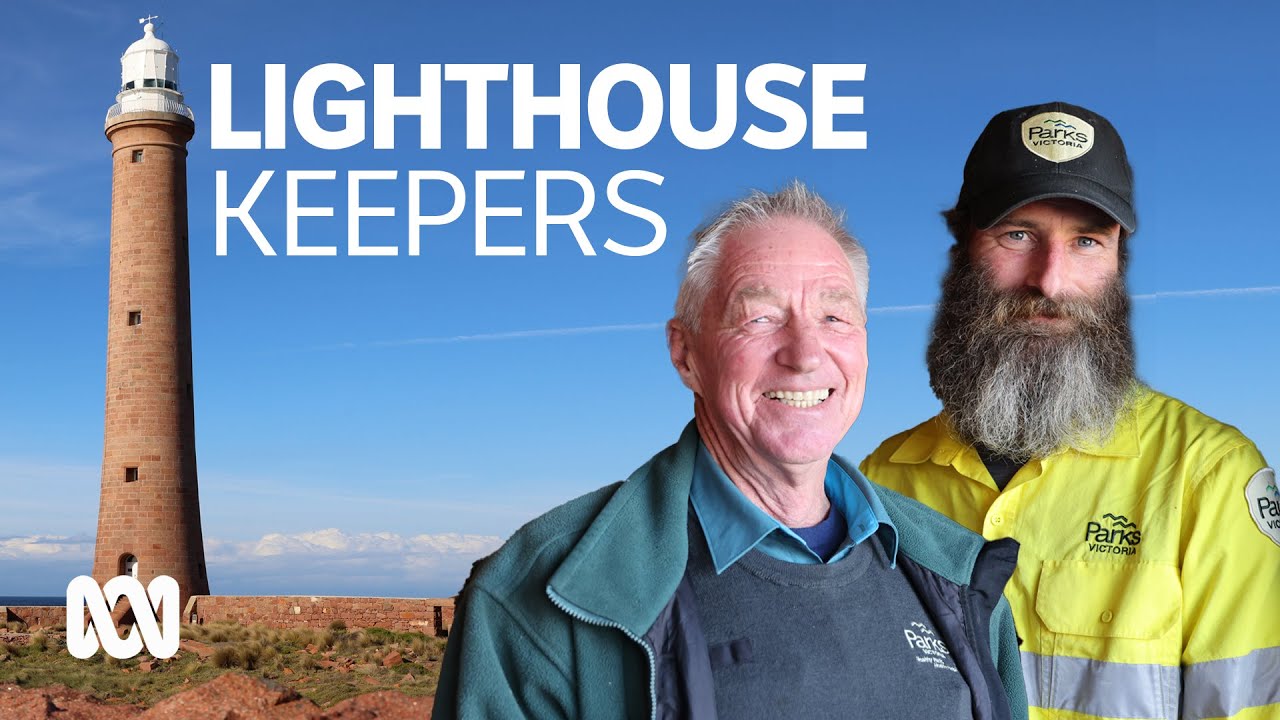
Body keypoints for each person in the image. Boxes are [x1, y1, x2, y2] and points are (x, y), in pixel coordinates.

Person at [433, 183, 1027, 720]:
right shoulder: (537, 596)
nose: (804, 354)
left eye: (834, 316)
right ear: (686, 353)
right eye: (760, 318)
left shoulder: (960, 576)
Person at [861, 101, 1279, 720]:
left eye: (1086, 241)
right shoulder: (881, 483)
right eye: (1017, 235)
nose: (1050, 281)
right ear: (962, 247)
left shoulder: (1210, 477)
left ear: (1118, 264)